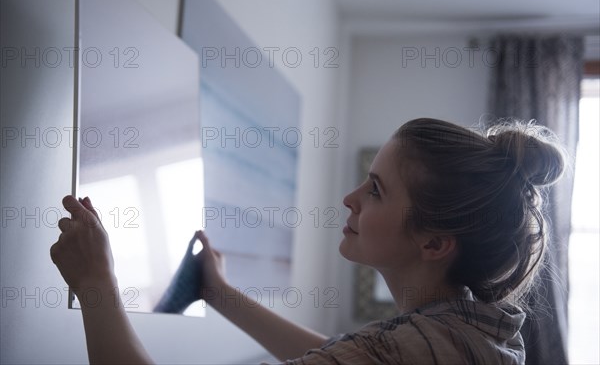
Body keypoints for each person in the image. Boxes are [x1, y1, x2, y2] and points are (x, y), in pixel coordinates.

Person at [50, 117, 567, 364]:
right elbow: (345, 356)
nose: (350, 197)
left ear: (434, 244)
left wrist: (97, 283)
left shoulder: (420, 348)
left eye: (376, 190)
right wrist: (219, 292)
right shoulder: (462, 332)